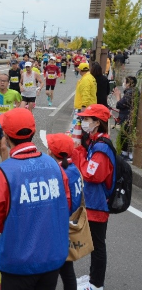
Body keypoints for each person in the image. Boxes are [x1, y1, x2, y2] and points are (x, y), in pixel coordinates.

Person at [0, 108, 70, 290]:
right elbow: (66, 204)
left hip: (17, 262)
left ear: (5, 136)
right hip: (52, 258)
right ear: (33, 132)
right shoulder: (54, 165)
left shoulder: (1, 173)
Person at [72, 104, 116, 290]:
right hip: (93, 202)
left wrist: (78, 153)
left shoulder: (101, 148)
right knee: (93, 243)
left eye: (87, 119)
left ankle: (96, 284)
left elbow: (92, 175)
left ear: (98, 122)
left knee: (97, 245)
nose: (83, 122)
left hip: (98, 204)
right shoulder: (95, 142)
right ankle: (92, 278)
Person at [47, 133, 83, 290]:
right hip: (70, 223)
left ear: (53, 152)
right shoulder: (74, 169)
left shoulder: (59, 174)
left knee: (53, 271)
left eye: (50, 147)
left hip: (59, 228)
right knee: (67, 269)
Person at [113, 76, 138, 162]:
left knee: (126, 135)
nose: (123, 83)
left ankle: (128, 155)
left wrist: (117, 96)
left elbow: (120, 105)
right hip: (127, 118)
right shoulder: (132, 92)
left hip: (127, 119)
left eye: (125, 81)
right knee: (125, 136)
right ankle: (125, 153)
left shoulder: (130, 93)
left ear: (129, 84)